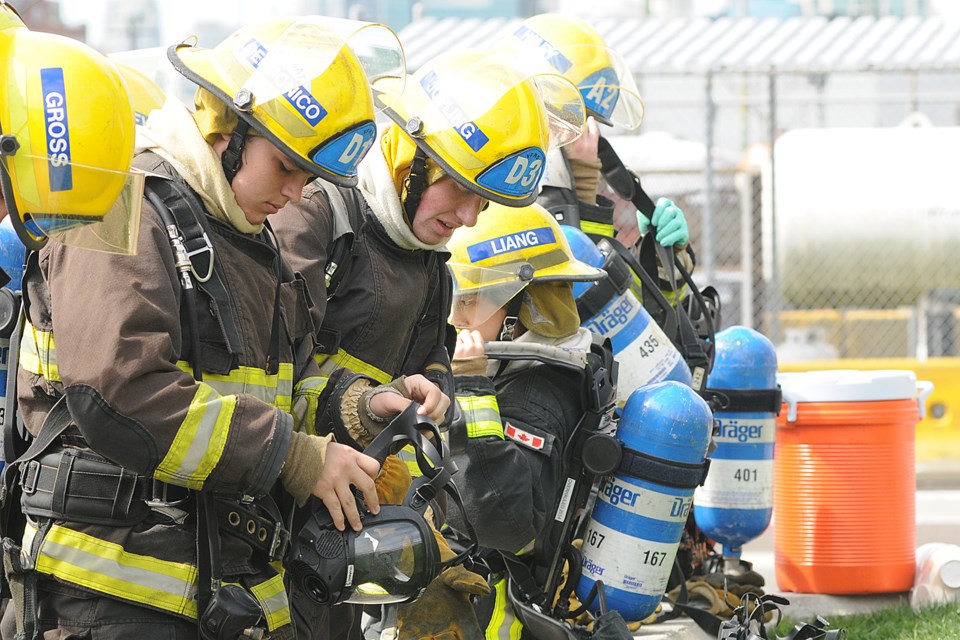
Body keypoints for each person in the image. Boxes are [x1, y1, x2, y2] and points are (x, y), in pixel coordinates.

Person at [2, 17, 447, 639]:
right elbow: (121, 391)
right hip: (113, 596)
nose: (296, 194)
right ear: (226, 129)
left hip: (221, 590)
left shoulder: (242, 235)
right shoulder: (119, 204)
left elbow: (277, 384)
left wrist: (363, 406)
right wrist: (289, 454)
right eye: (284, 166)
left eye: (309, 177)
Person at [270, 48, 585, 640]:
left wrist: (434, 395)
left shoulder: (429, 264)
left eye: (484, 201)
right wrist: (365, 406)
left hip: (347, 532)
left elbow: (429, 367)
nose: (469, 217)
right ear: (408, 156)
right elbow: (267, 370)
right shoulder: (316, 219)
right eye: (459, 189)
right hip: (276, 512)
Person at [444, 201, 634, 639]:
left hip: (492, 617)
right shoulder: (548, 372)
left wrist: (471, 391)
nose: (457, 316)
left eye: (472, 300)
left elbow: (505, 523)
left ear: (520, 310)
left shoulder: (535, 396)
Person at [497, 13, 690, 251]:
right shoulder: (477, 194)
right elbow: (563, 280)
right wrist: (579, 187)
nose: (586, 135)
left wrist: (659, 258)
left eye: (587, 120)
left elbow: (604, 280)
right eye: (570, 116)